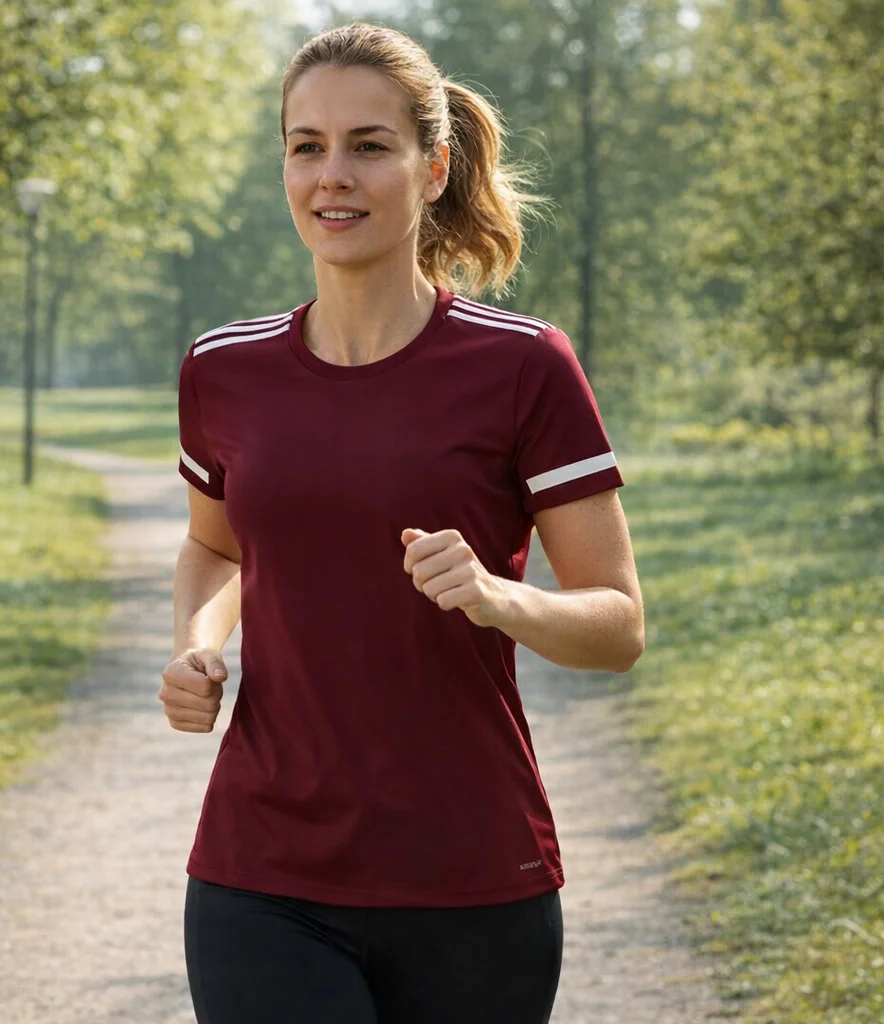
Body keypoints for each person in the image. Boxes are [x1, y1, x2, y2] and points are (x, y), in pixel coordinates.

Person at [160, 21, 644, 1024]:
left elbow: (617, 626)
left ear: (431, 169)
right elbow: (215, 545)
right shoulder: (223, 369)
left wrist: (499, 595)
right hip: (262, 871)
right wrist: (198, 648)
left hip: (475, 876)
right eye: (306, 146)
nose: (332, 175)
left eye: (367, 145)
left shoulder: (523, 366)